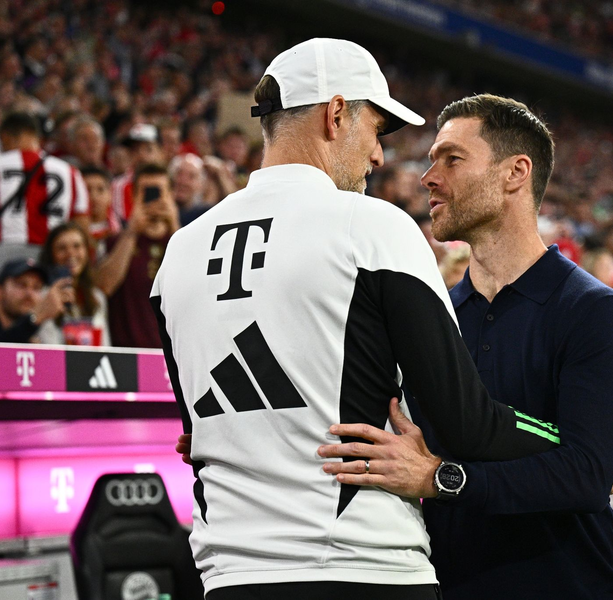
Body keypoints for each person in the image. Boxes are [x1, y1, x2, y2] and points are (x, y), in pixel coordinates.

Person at [157, 39, 564, 600]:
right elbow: (464, 423)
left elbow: (191, 433)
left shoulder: (178, 251)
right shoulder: (372, 227)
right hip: (361, 564)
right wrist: (567, 441)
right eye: (376, 130)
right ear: (337, 113)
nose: (379, 156)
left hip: (230, 575)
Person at [318, 94, 613, 599]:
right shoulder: (432, 313)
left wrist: (441, 479)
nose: (429, 177)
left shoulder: (593, 310)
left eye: (452, 158)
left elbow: (586, 477)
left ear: (515, 173)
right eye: (430, 162)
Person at [97, 163, 178, 348]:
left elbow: (197, 287)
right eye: (147, 193)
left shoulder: (185, 240)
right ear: (133, 196)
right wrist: (132, 232)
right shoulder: (114, 243)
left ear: (171, 195)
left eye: (159, 192)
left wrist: (175, 227)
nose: (153, 199)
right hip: (127, 354)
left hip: (173, 356)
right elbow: (104, 287)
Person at [0, 112, 89, 244]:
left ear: (6, 137)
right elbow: (81, 223)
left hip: (4, 252)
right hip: (51, 254)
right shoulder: (69, 172)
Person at [37, 222, 110, 346]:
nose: (70, 253)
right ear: (51, 255)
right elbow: (47, 348)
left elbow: (105, 347)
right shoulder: (42, 295)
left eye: (77, 246)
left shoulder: (97, 297)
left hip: (95, 364)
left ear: (87, 252)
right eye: (62, 248)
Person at [0, 257, 73, 343]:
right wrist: (35, 318)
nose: (29, 293)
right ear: (1, 291)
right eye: (21, 285)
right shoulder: (34, 322)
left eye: (36, 287)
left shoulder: (40, 331)